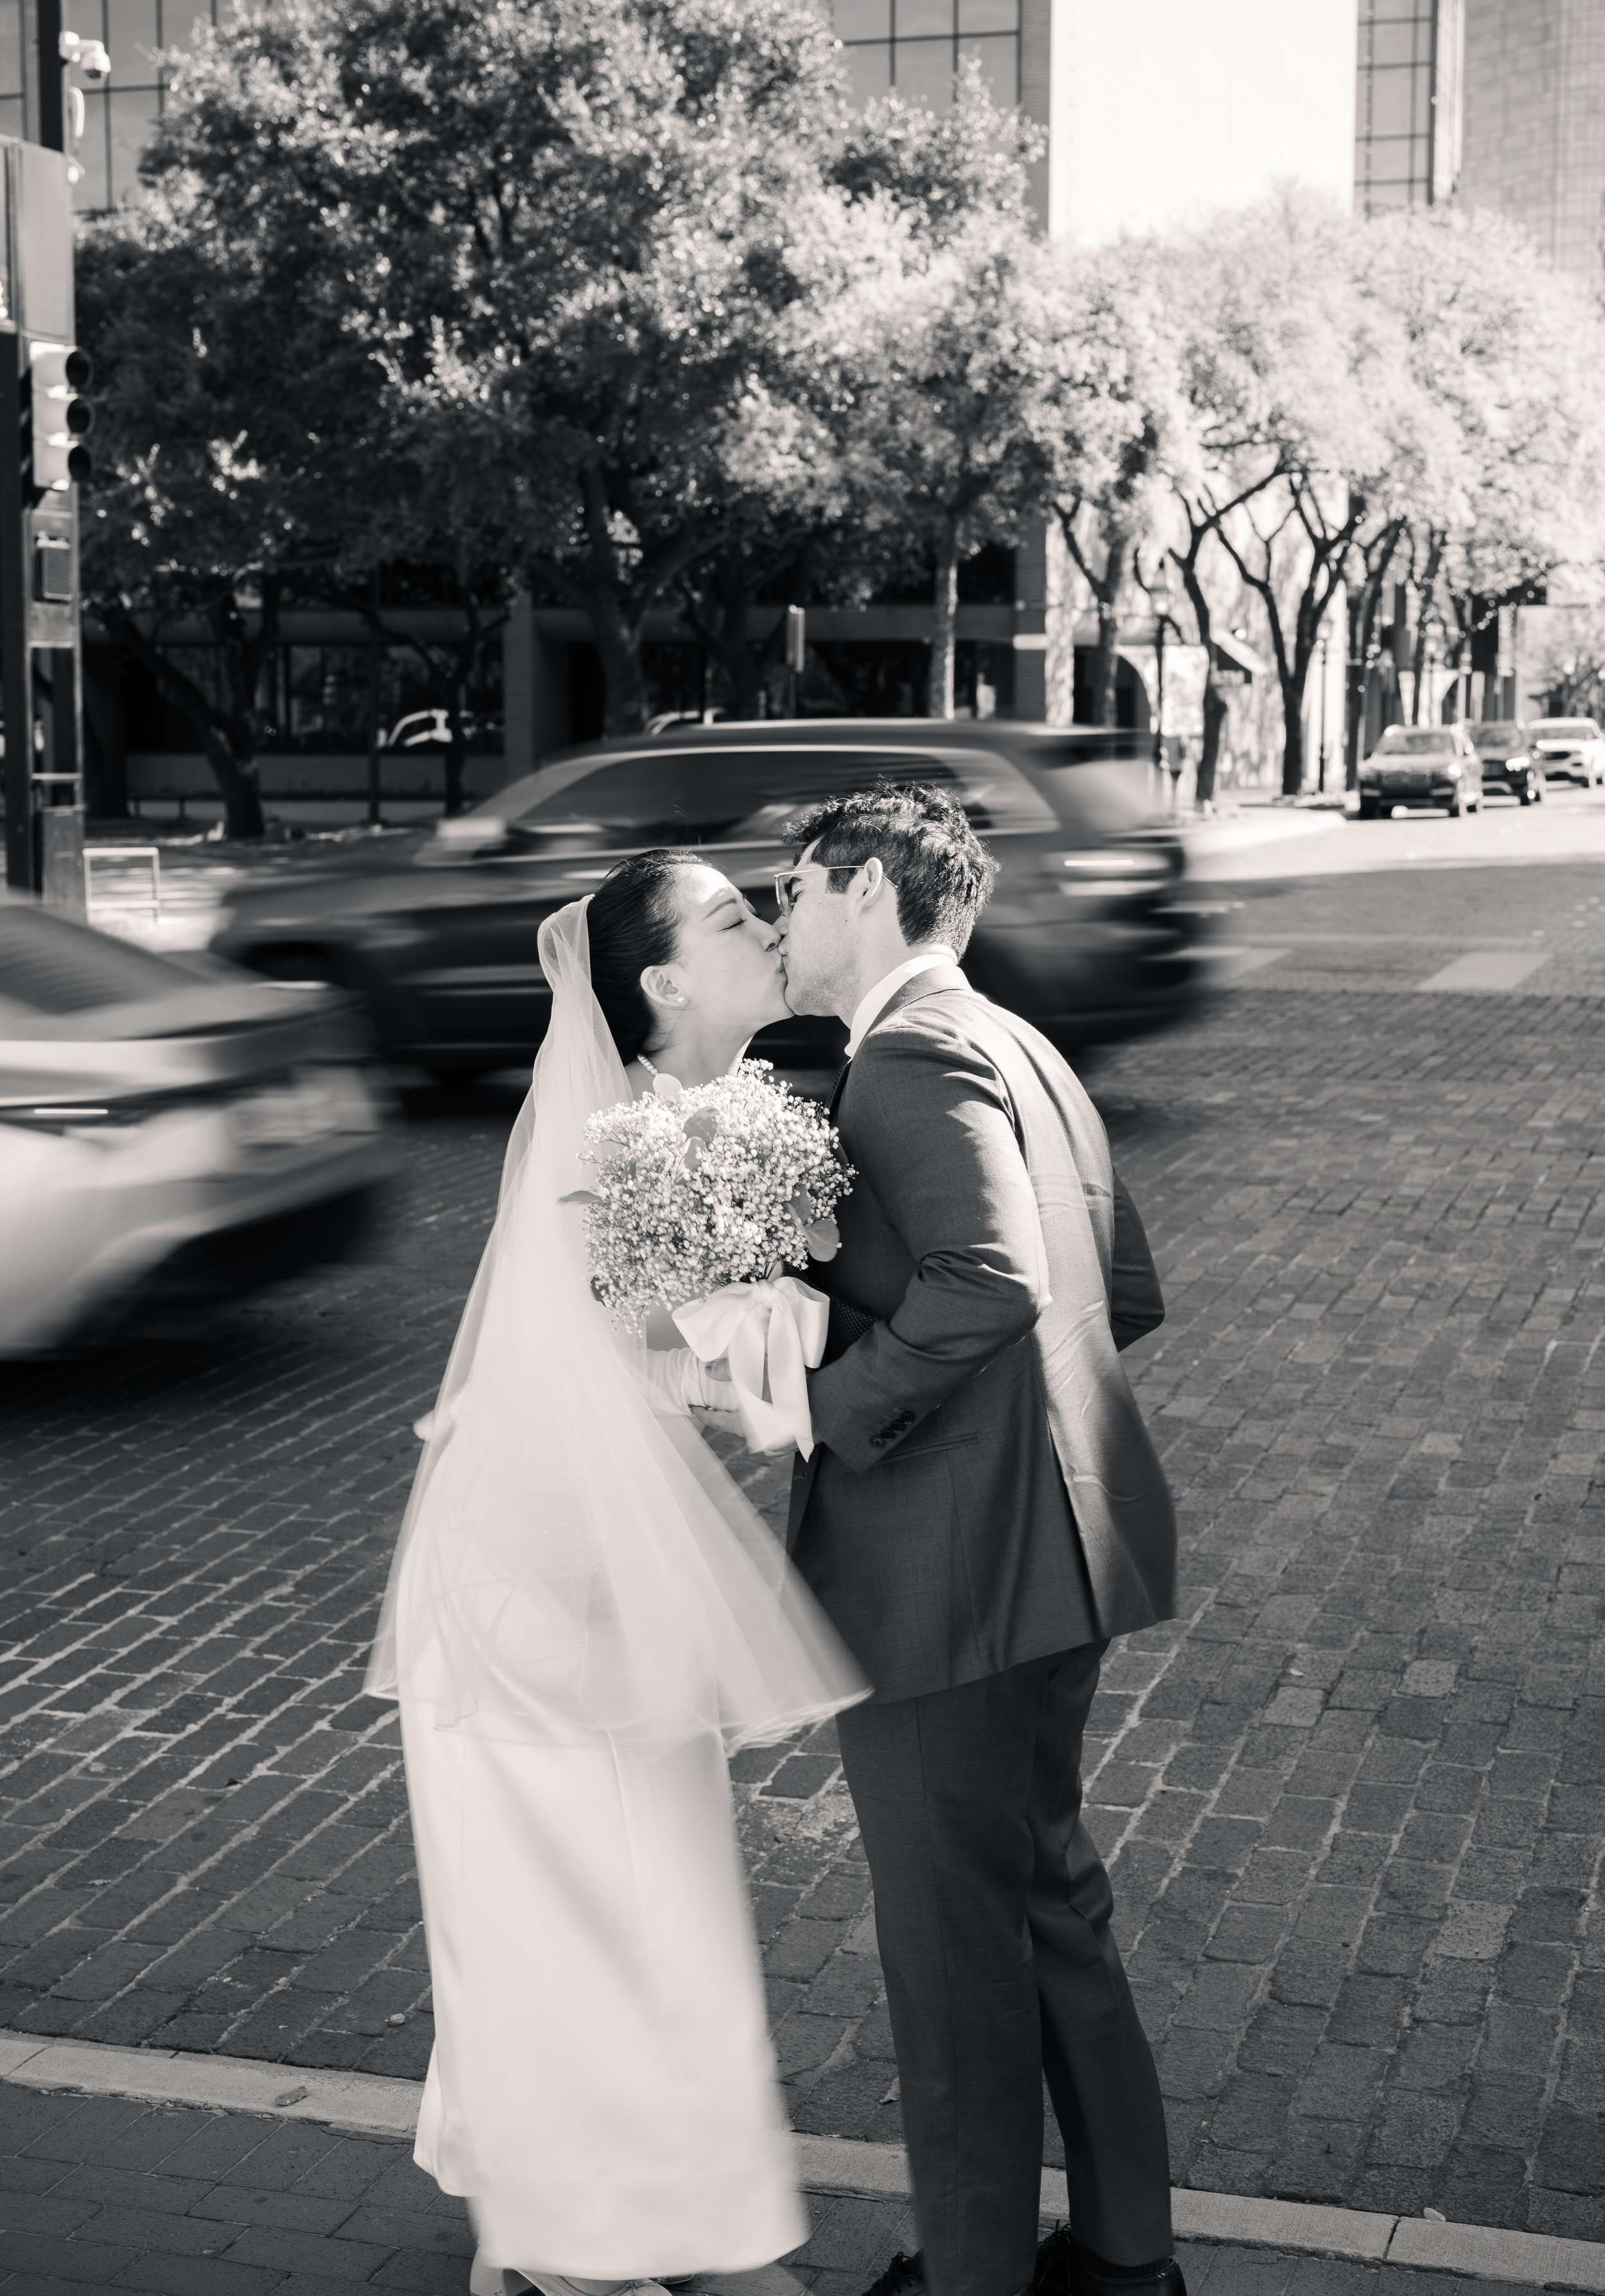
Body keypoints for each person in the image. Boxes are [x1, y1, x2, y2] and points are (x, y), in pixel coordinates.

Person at [367, 852, 866, 2296]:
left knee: (632, 1892)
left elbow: (710, 1358)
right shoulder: (625, 1144)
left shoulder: (696, 1122)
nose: (764, 928)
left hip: (596, 1566)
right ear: (657, 985)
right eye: (730, 920)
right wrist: (828, 1320)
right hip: (529, 1584)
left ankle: (601, 2216)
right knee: (582, 1902)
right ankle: (588, 2243)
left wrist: (796, 1295)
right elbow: (720, 1361)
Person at [776, 784, 1183, 2296]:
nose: (780, 917)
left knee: (953, 1955)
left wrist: (828, 1406)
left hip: (951, 1575)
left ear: (868, 887)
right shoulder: (1017, 1039)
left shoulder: (909, 1051)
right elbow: (1117, 1292)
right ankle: (1126, 2262)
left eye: (794, 889)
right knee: (1045, 1904)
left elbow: (988, 1280)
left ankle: (971, 2282)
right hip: (1057, 1547)